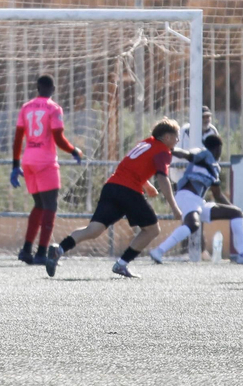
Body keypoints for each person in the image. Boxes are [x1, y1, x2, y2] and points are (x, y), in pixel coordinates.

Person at [44, 119, 183, 279]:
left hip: (111, 187)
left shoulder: (145, 143)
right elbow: (163, 178)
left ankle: (59, 249)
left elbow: (131, 166)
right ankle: (122, 264)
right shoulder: (163, 151)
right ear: (166, 137)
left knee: (93, 230)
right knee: (152, 229)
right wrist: (174, 206)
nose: (177, 141)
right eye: (176, 137)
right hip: (128, 191)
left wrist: (146, 185)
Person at [148, 133, 243, 265]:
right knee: (192, 224)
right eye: (220, 148)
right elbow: (187, 154)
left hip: (198, 202)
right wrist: (170, 149)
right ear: (217, 148)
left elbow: (218, 195)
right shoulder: (204, 154)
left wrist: (238, 211)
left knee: (235, 213)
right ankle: (159, 251)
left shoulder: (214, 168)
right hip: (186, 196)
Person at [10, 75, 84, 266]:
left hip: (28, 161)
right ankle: (41, 253)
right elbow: (58, 138)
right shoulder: (54, 108)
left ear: (37, 88)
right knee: (50, 206)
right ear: (52, 88)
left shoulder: (26, 107)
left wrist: (15, 165)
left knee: (39, 206)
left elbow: (18, 138)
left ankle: (26, 250)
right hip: (45, 162)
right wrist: (74, 150)